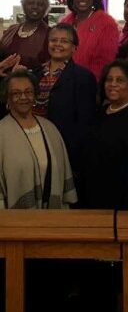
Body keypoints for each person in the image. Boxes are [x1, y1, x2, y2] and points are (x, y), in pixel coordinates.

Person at [32, 23, 97, 194]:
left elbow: (85, 122)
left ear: (74, 47)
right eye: (53, 40)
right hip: (34, 143)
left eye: (64, 41)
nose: (58, 45)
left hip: (65, 148)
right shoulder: (35, 74)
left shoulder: (83, 77)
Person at [0, 69, 77, 209]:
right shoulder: (1, 132)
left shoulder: (50, 129)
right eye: (16, 93)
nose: (23, 97)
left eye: (28, 92)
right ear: (7, 98)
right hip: (15, 222)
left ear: (35, 94)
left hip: (53, 217)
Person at [83, 60, 128, 210]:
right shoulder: (101, 112)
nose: (113, 84)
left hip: (121, 206)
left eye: (120, 80)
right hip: (93, 199)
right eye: (109, 79)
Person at [63, 0, 119, 81]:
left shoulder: (106, 23)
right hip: (64, 80)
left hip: (90, 83)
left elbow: (106, 62)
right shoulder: (66, 22)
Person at [0, 0, 50, 69]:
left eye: (40, 4)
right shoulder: (11, 29)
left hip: (33, 80)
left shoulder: (50, 33)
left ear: (46, 8)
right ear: (23, 5)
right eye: (30, 3)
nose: (35, 7)